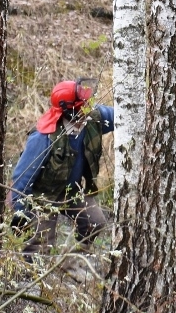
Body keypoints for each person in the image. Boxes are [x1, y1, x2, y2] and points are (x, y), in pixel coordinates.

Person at [10, 79, 114, 256]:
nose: (90, 107)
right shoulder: (44, 137)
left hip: (70, 191)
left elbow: (123, 116)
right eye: (84, 105)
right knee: (41, 247)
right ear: (71, 111)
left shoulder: (94, 118)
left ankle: (74, 259)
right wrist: (21, 213)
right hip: (42, 197)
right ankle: (34, 278)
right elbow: (22, 177)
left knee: (95, 221)